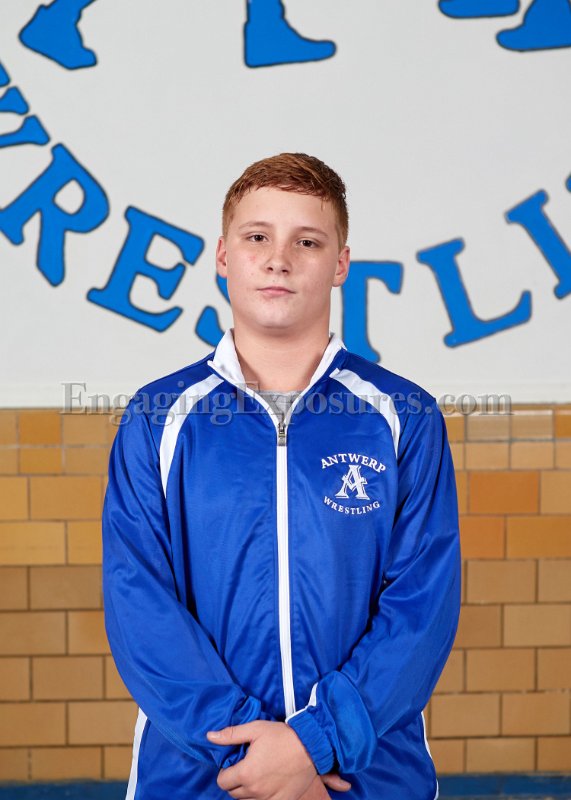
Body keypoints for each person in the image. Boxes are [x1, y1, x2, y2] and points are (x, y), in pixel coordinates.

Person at [102, 152, 461, 800]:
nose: (278, 260)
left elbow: (421, 609)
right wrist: (251, 753)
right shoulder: (158, 419)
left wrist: (314, 743)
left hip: (362, 778)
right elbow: (140, 606)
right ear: (223, 256)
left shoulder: (403, 417)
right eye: (257, 237)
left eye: (307, 241)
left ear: (341, 264)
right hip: (203, 777)